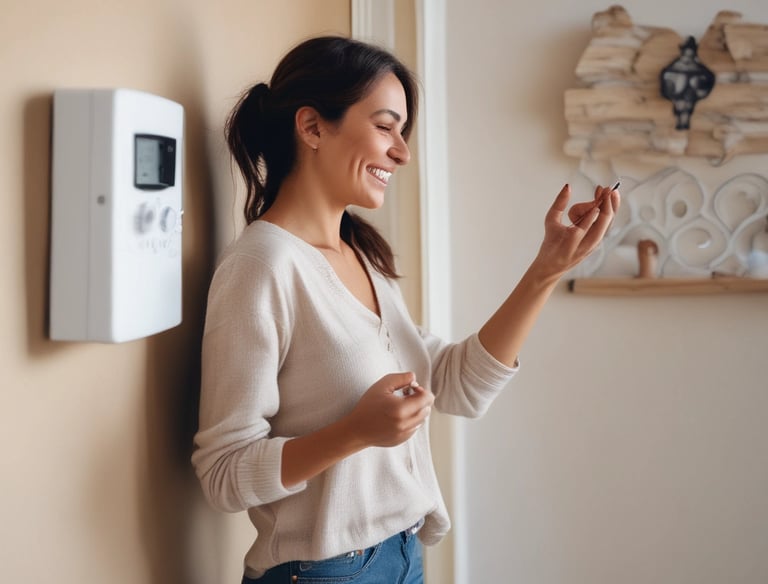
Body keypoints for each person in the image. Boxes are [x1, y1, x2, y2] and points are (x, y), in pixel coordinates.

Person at [191, 35, 620, 583]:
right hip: (324, 572)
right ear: (313, 127)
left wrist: (548, 269)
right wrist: (353, 432)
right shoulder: (262, 265)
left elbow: (458, 384)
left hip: (401, 557)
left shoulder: (358, 255)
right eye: (385, 126)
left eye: (403, 131)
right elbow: (223, 474)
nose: (403, 151)